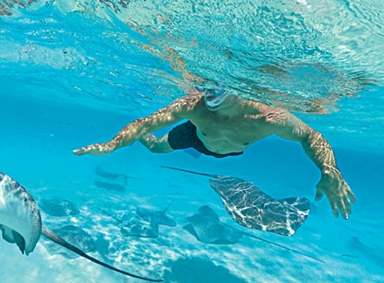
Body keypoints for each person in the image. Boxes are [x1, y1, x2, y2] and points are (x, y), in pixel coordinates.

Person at [73, 88, 355, 219]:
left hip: (229, 151)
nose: (210, 90)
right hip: (197, 137)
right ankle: (141, 143)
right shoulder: (194, 107)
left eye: (219, 86)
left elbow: (310, 135)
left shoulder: (269, 118)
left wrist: (329, 169)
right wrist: (112, 145)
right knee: (157, 147)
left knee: (176, 147)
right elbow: (144, 122)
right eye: (208, 85)